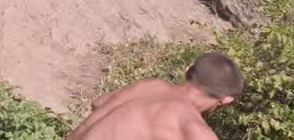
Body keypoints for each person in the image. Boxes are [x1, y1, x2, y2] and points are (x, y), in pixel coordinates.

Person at [67, 52, 243, 140]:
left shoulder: (149, 85)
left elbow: (98, 102)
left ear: (187, 70)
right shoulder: (195, 130)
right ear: (227, 99)